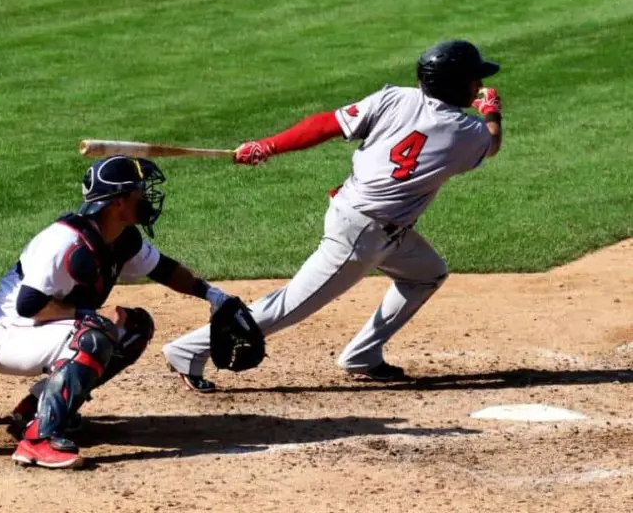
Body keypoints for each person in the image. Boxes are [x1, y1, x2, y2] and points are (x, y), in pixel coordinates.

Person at [162, 39, 503, 389]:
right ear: (455, 83)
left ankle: (363, 354)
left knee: (426, 274)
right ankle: (187, 350)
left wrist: (267, 145)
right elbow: (492, 142)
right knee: (289, 306)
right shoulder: (465, 132)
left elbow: (325, 125)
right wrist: (491, 110)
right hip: (362, 234)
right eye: (474, 80)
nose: (479, 85)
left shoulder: (394, 98)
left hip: (371, 221)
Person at [0, 155, 244, 469]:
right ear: (118, 202)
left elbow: (164, 270)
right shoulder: (66, 242)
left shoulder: (119, 238)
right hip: (5, 334)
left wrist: (213, 295)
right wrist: (89, 316)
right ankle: (38, 440)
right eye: (140, 192)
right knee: (96, 333)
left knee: (135, 327)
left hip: (34, 328)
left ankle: (35, 409)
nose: (147, 198)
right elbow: (29, 305)